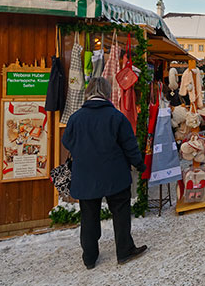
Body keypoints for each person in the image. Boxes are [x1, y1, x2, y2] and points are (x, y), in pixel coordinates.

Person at [61, 76, 148, 268]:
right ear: (108, 94)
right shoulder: (116, 117)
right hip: (114, 174)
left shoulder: (76, 118)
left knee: (89, 215)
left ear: (88, 93)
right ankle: (124, 251)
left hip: (85, 175)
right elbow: (130, 146)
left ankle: (89, 257)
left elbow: (67, 142)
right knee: (120, 213)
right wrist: (139, 165)